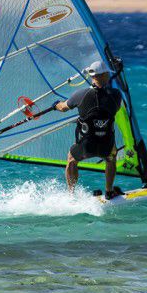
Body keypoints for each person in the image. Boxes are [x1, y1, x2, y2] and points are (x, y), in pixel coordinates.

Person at [55, 60, 124, 199]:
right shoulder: (116, 95)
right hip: (106, 145)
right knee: (111, 157)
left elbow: (63, 108)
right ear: (105, 75)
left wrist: (56, 104)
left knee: (71, 159)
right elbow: (112, 107)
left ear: (92, 76)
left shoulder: (81, 94)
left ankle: (71, 195)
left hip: (86, 146)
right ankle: (109, 191)